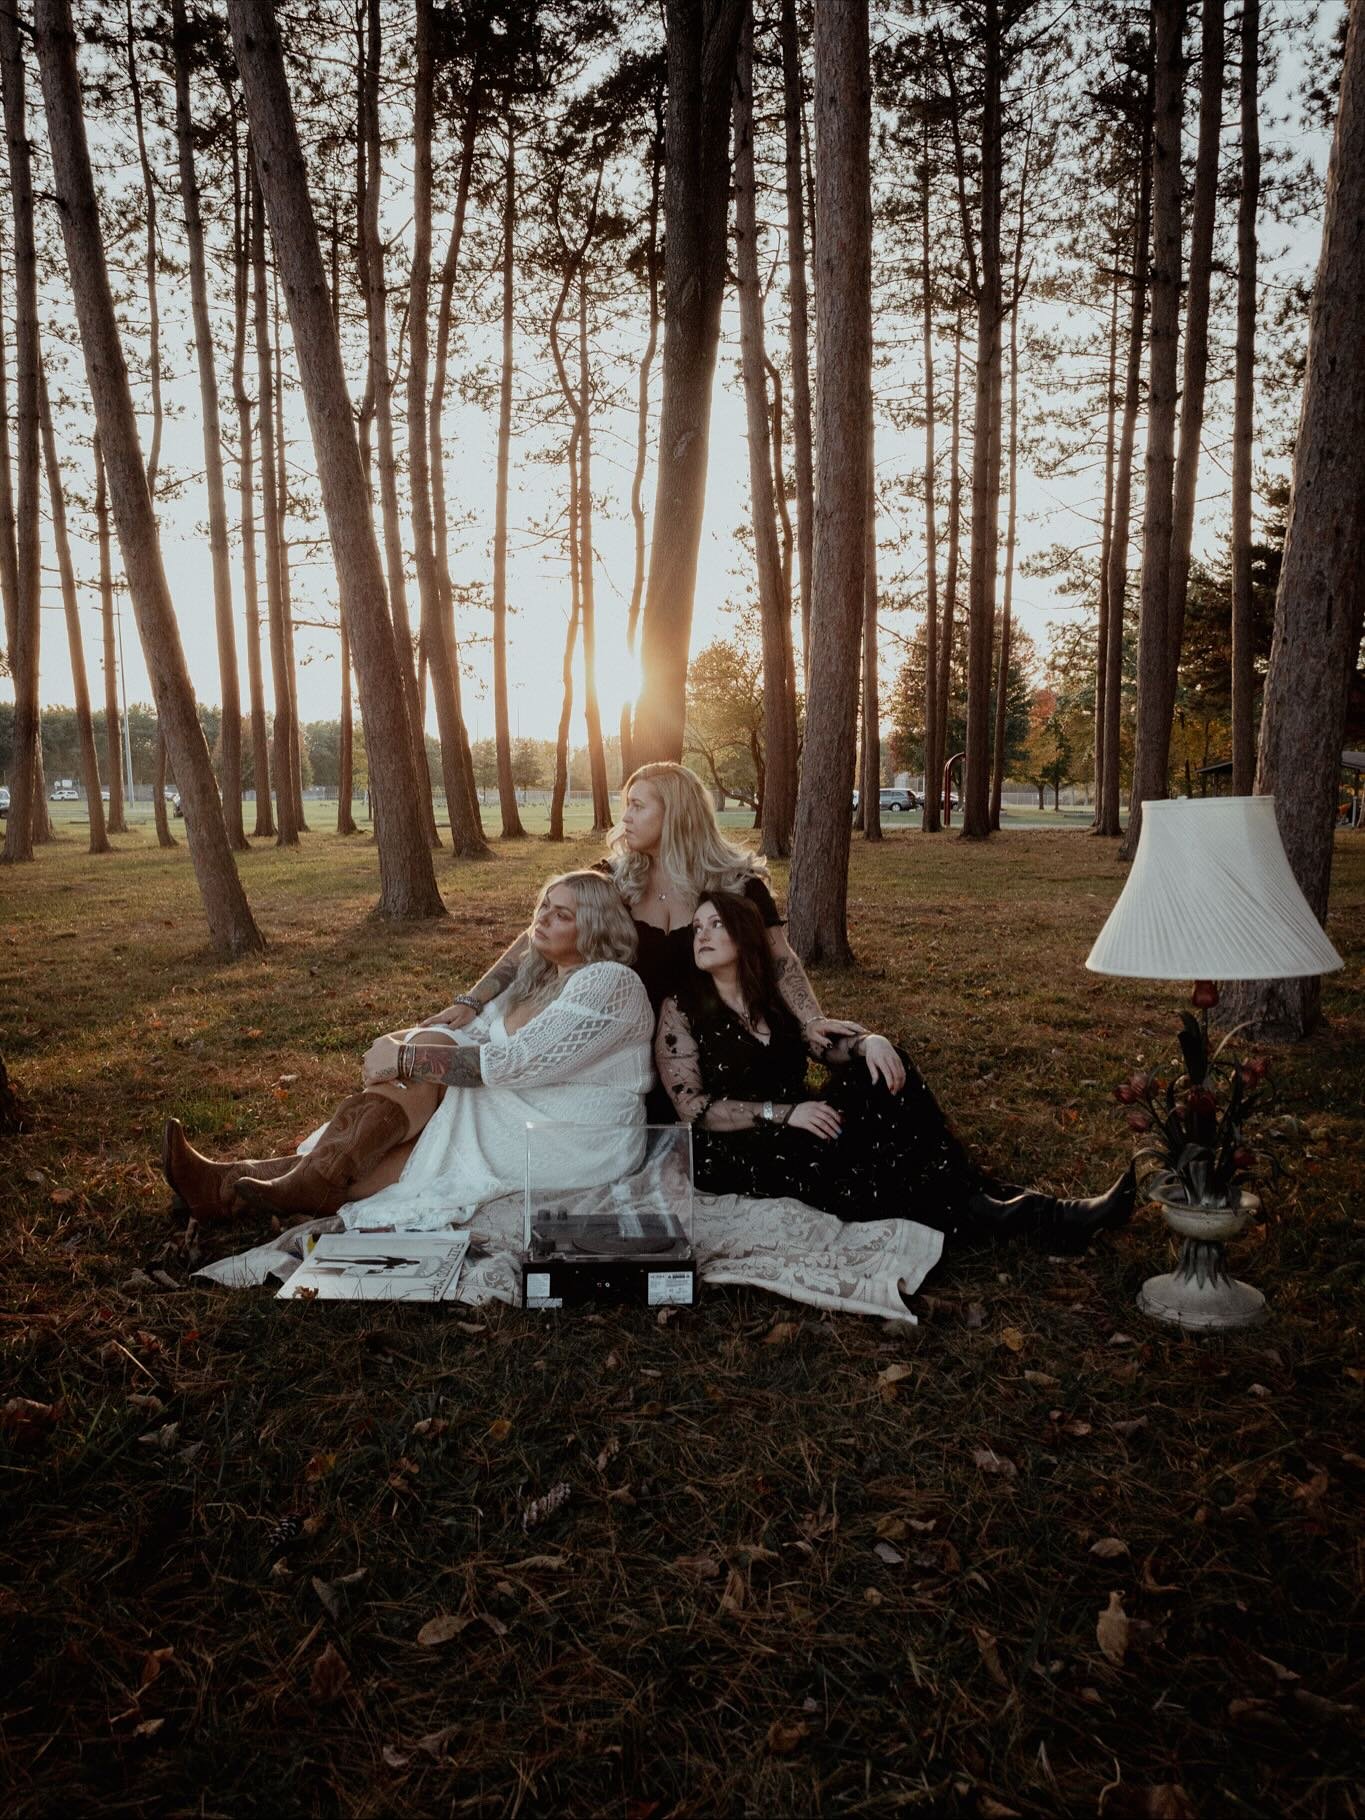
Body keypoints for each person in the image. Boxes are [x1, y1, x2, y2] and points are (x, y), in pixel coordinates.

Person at [162, 872, 654, 1225]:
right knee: (425, 1089)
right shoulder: (537, 977)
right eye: (544, 905)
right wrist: (405, 1041)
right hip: (517, 1108)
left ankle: (243, 1188)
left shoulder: (609, 982)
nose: (542, 919)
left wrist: (402, 1056)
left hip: (574, 1136)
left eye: (561, 913)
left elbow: (508, 1061)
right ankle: (231, 1188)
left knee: (426, 1104)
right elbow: (474, 1038)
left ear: (594, 929)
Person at [654, 891, 1136, 1251]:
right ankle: (1033, 1214)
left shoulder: (773, 999)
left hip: (808, 1121)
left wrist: (869, 1043)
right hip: (740, 1149)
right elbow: (692, 1109)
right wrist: (781, 1113)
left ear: (744, 934)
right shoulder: (682, 1009)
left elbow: (823, 1047)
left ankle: (1017, 1209)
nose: (703, 936)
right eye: (697, 928)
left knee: (887, 1067)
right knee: (886, 1166)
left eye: (716, 924)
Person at [415, 762, 857, 1118]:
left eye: (638, 806)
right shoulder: (612, 880)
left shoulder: (737, 887)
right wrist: (472, 1000)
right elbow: (537, 937)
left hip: (711, 1055)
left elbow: (782, 962)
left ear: (676, 814)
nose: (624, 817)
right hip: (617, 1054)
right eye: (626, 805)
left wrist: (811, 1019)